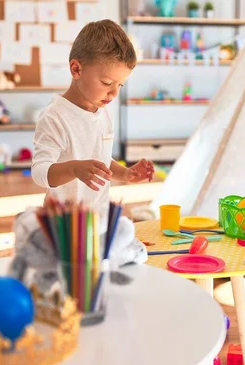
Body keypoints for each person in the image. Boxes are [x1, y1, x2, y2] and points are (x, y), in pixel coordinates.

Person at [31, 19, 154, 226]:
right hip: (63, 223)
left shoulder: (103, 112)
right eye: (107, 83)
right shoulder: (55, 117)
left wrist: (125, 173)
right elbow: (39, 173)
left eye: (120, 85)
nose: (114, 93)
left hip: (98, 218)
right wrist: (74, 169)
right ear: (76, 69)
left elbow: (100, 160)